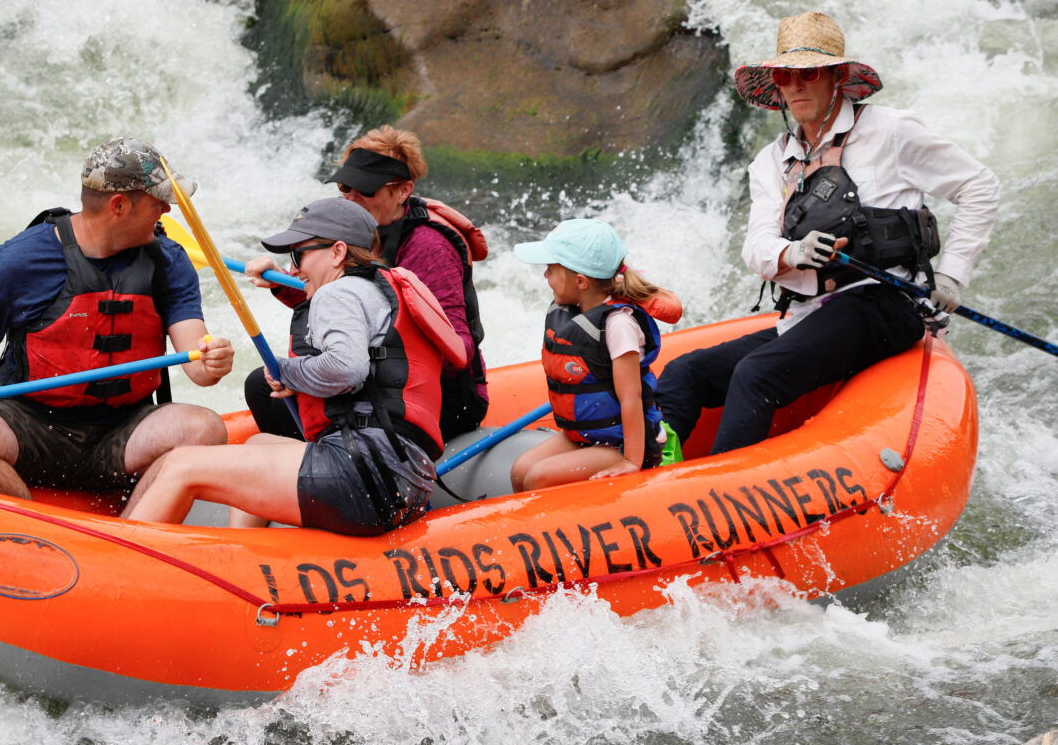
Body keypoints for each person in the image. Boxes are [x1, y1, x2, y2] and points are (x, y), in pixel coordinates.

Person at [654, 11, 999, 456]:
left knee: (756, 373)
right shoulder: (769, 162)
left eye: (808, 72)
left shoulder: (891, 131)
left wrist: (953, 275)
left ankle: (715, 493)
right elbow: (756, 247)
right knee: (684, 372)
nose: (795, 86)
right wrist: (793, 252)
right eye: (784, 75)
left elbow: (979, 186)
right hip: (813, 311)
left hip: (888, 301)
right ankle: (655, 472)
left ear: (836, 75)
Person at [0, 137, 235, 505]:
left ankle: (132, 534)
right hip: (35, 424)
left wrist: (213, 361)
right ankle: (35, 528)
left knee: (206, 429)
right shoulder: (21, 260)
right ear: (118, 205)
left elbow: (199, 367)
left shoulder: (169, 260)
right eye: (157, 201)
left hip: (126, 429)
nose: (167, 209)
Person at [126, 197, 466, 533]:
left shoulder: (338, 293)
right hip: (404, 475)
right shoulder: (377, 288)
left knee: (181, 464)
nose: (295, 268)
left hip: (363, 475)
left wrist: (286, 370)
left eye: (298, 255)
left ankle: (121, 565)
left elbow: (348, 369)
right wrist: (300, 378)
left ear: (338, 252)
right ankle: (244, 559)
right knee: (258, 445)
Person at [242, 125, 489, 442]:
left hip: (440, 394)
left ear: (403, 190)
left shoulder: (429, 247)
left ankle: (339, 471)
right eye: (345, 187)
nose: (352, 198)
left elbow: (460, 349)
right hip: (381, 374)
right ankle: (311, 470)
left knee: (289, 383)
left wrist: (358, 365)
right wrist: (280, 280)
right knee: (262, 386)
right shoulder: (355, 229)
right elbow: (326, 294)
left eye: (366, 190)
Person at [509, 219, 682, 492]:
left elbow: (631, 398)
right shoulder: (576, 309)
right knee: (520, 470)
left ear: (580, 281)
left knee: (537, 477)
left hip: (622, 443)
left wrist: (631, 461)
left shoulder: (618, 324)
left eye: (550, 270)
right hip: (587, 435)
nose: (545, 277)